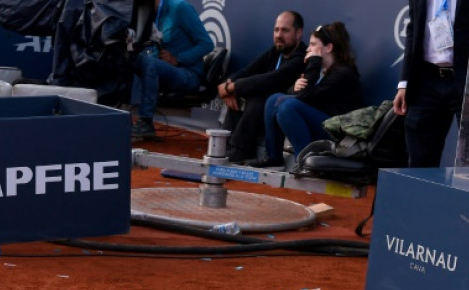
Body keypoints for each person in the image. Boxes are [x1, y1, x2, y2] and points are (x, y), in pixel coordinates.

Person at [250, 22, 363, 168]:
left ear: (328, 48)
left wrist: (314, 62)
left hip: (338, 134)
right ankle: (273, 157)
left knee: (288, 107)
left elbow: (305, 99)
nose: (308, 49)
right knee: (274, 100)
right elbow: (302, 96)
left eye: (313, 44)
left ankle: (304, 161)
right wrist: (294, 88)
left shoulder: (342, 74)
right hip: (323, 122)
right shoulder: (325, 72)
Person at [393, 0, 469, 167]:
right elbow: (413, 28)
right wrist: (404, 83)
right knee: (419, 160)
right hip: (425, 80)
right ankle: (421, 194)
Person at [217, 11, 307, 163]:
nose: (279, 35)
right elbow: (246, 71)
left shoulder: (301, 58)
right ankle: (225, 148)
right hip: (262, 116)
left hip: (281, 114)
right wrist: (229, 85)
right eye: (276, 30)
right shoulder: (275, 52)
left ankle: (242, 150)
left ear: (298, 33)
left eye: (285, 30)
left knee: (260, 96)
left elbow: (270, 80)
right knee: (239, 96)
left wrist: (232, 87)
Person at [130, 0, 214, 140]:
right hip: (162, 72)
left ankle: (145, 122)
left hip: (188, 74)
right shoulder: (143, 14)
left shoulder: (180, 8)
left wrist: (178, 58)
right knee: (130, 60)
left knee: (151, 64)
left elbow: (207, 44)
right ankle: (117, 111)